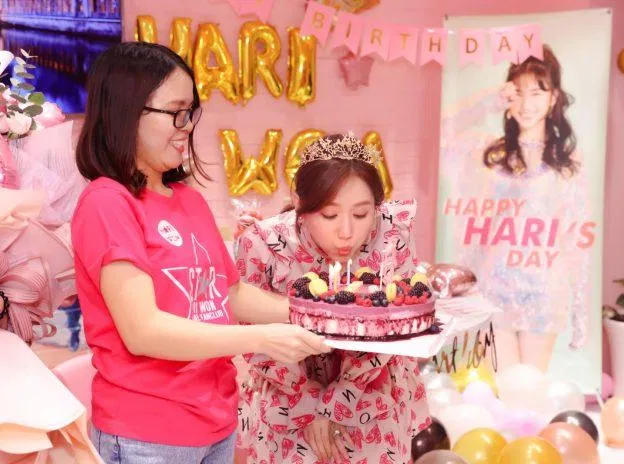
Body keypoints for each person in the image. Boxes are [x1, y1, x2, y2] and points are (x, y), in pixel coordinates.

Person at [71, 42, 329, 463]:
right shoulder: (107, 202)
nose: (187, 126)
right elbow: (143, 330)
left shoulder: (188, 200)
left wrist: (317, 311)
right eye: (176, 112)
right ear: (127, 111)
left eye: (190, 112)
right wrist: (261, 338)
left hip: (216, 421)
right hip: (147, 432)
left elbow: (229, 294)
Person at [234, 133, 431, 463]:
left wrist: (338, 401)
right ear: (299, 203)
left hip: (371, 391)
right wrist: (308, 401)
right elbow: (251, 331)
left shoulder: (392, 234)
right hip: (287, 396)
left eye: (361, 214)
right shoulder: (263, 244)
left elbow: (395, 325)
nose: (346, 232)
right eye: (329, 215)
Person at [440, 44, 593, 373]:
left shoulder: (567, 162)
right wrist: (490, 101)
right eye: (518, 92)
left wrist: (582, 310)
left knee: (531, 388)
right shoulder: (489, 154)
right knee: (504, 387)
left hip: (543, 290)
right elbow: (444, 128)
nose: (526, 104)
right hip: (495, 287)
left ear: (553, 98)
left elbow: (576, 236)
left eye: (537, 92)